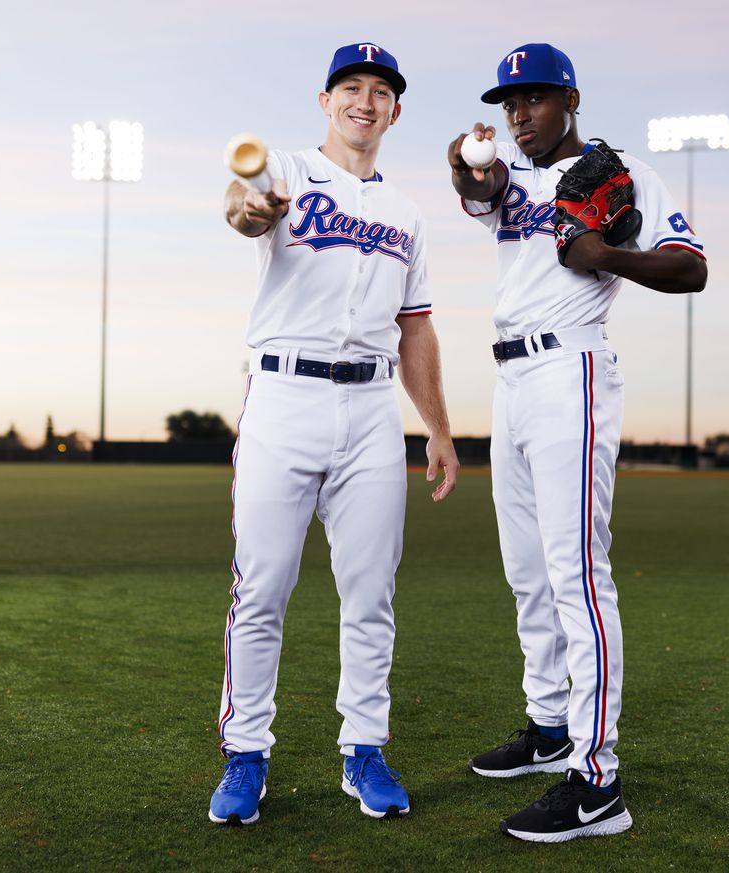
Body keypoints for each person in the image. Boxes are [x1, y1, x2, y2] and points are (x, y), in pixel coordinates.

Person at [448, 43, 707, 843]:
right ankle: (551, 725)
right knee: (527, 570)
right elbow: (478, 188)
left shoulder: (620, 171)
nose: (518, 113)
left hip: (573, 369)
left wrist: (608, 256)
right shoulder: (509, 175)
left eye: (533, 98)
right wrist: (466, 168)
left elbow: (690, 267)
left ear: (571, 99)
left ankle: (597, 782)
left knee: (576, 575)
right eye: (508, 102)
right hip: (511, 382)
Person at [210, 41, 459, 826]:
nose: (365, 100)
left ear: (395, 110)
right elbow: (241, 204)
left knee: (371, 593)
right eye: (350, 86)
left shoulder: (409, 214)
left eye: (380, 91)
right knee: (263, 588)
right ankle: (246, 753)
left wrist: (440, 430)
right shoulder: (282, 169)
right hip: (283, 399)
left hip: (372, 412)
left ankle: (364, 748)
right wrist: (253, 209)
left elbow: (415, 329)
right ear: (326, 101)